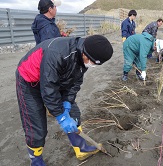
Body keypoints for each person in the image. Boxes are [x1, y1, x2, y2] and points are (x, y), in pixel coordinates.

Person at [16, 35, 113, 166]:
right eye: (93, 62)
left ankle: (81, 148)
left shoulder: (83, 56)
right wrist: (61, 116)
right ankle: (36, 160)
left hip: (55, 79)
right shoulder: (57, 53)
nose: (92, 66)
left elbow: (75, 82)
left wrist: (67, 102)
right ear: (85, 53)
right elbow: (48, 89)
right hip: (30, 81)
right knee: (37, 126)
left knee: (73, 113)